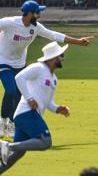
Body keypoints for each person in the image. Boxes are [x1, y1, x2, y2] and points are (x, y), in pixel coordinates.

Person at [0, 0, 93, 139]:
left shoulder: (35, 27)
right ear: (29, 13)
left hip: (19, 63)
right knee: (11, 90)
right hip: (3, 61)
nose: (39, 16)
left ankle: (13, 123)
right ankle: (2, 121)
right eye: (37, 13)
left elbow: (55, 35)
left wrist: (78, 41)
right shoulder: (10, 22)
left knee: (19, 95)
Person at [0, 42, 71, 173]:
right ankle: (5, 146)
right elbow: (19, 77)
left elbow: (48, 102)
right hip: (26, 113)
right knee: (45, 142)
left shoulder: (54, 79)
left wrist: (58, 109)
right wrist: (29, 98)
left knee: (18, 154)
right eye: (60, 55)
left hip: (28, 115)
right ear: (52, 58)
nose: (62, 58)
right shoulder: (39, 68)